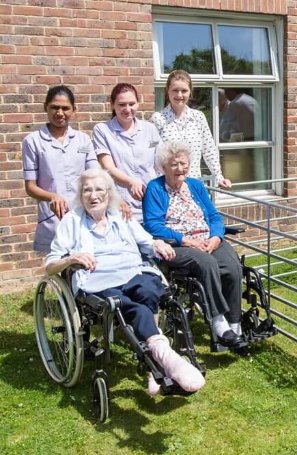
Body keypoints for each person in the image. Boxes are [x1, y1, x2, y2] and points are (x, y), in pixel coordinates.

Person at [45, 169, 205, 396]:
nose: (93, 195)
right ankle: (162, 358)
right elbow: (50, 265)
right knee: (125, 305)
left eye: (99, 189)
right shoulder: (71, 222)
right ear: (80, 196)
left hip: (133, 272)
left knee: (150, 291)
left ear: (109, 194)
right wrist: (72, 258)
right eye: (87, 190)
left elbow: (146, 241)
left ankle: (155, 365)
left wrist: (156, 244)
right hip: (98, 280)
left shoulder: (121, 217)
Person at [142, 141, 246, 349]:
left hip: (208, 239)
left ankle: (235, 326)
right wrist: (185, 240)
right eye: (174, 164)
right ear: (163, 167)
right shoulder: (155, 188)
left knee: (233, 266)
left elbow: (214, 216)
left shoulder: (196, 185)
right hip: (177, 245)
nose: (180, 169)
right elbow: (153, 225)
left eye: (183, 163)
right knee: (206, 263)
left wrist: (216, 237)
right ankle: (218, 322)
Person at [22, 85, 100, 252]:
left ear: (74, 110)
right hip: (53, 219)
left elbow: (95, 176)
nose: (60, 113)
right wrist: (52, 196)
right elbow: (30, 187)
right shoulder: (33, 141)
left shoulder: (83, 140)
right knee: (58, 269)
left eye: (65, 108)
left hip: (84, 215)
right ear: (45, 107)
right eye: (54, 107)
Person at [150, 69, 231, 189]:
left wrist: (218, 176)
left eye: (184, 91)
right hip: (167, 187)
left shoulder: (198, 117)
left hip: (194, 185)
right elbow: (152, 156)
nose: (179, 95)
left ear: (190, 92)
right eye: (175, 90)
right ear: (168, 91)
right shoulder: (158, 119)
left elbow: (209, 150)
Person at [93, 83, 162, 221]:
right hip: (122, 204)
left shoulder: (150, 129)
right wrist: (131, 182)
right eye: (122, 104)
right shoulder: (102, 130)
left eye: (132, 104)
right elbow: (108, 167)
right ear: (112, 105)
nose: (128, 109)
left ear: (138, 103)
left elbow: (161, 163)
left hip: (152, 202)